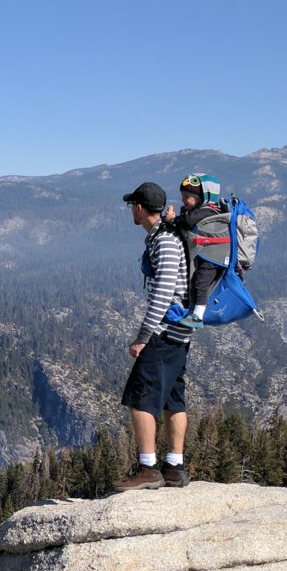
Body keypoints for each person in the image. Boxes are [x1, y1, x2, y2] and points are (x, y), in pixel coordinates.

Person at [113, 181, 192, 491]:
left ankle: (148, 469)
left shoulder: (165, 241)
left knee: (140, 399)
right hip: (180, 332)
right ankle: (174, 466)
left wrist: (143, 336)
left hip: (165, 331)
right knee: (174, 398)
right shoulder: (166, 236)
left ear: (139, 208)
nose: (131, 210)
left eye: (132, 205)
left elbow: (162, 293)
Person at [162, 173, 224, 329]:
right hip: (208, 255)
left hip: (213, 258)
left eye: (187, 196)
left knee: (200, 283)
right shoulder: (206, 211)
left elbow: (187, 221)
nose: (183, 200)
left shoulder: (208, 211)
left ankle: (197, 316)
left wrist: (171, 220)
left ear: (202, 196)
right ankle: (193, 310)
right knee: (197, 282)